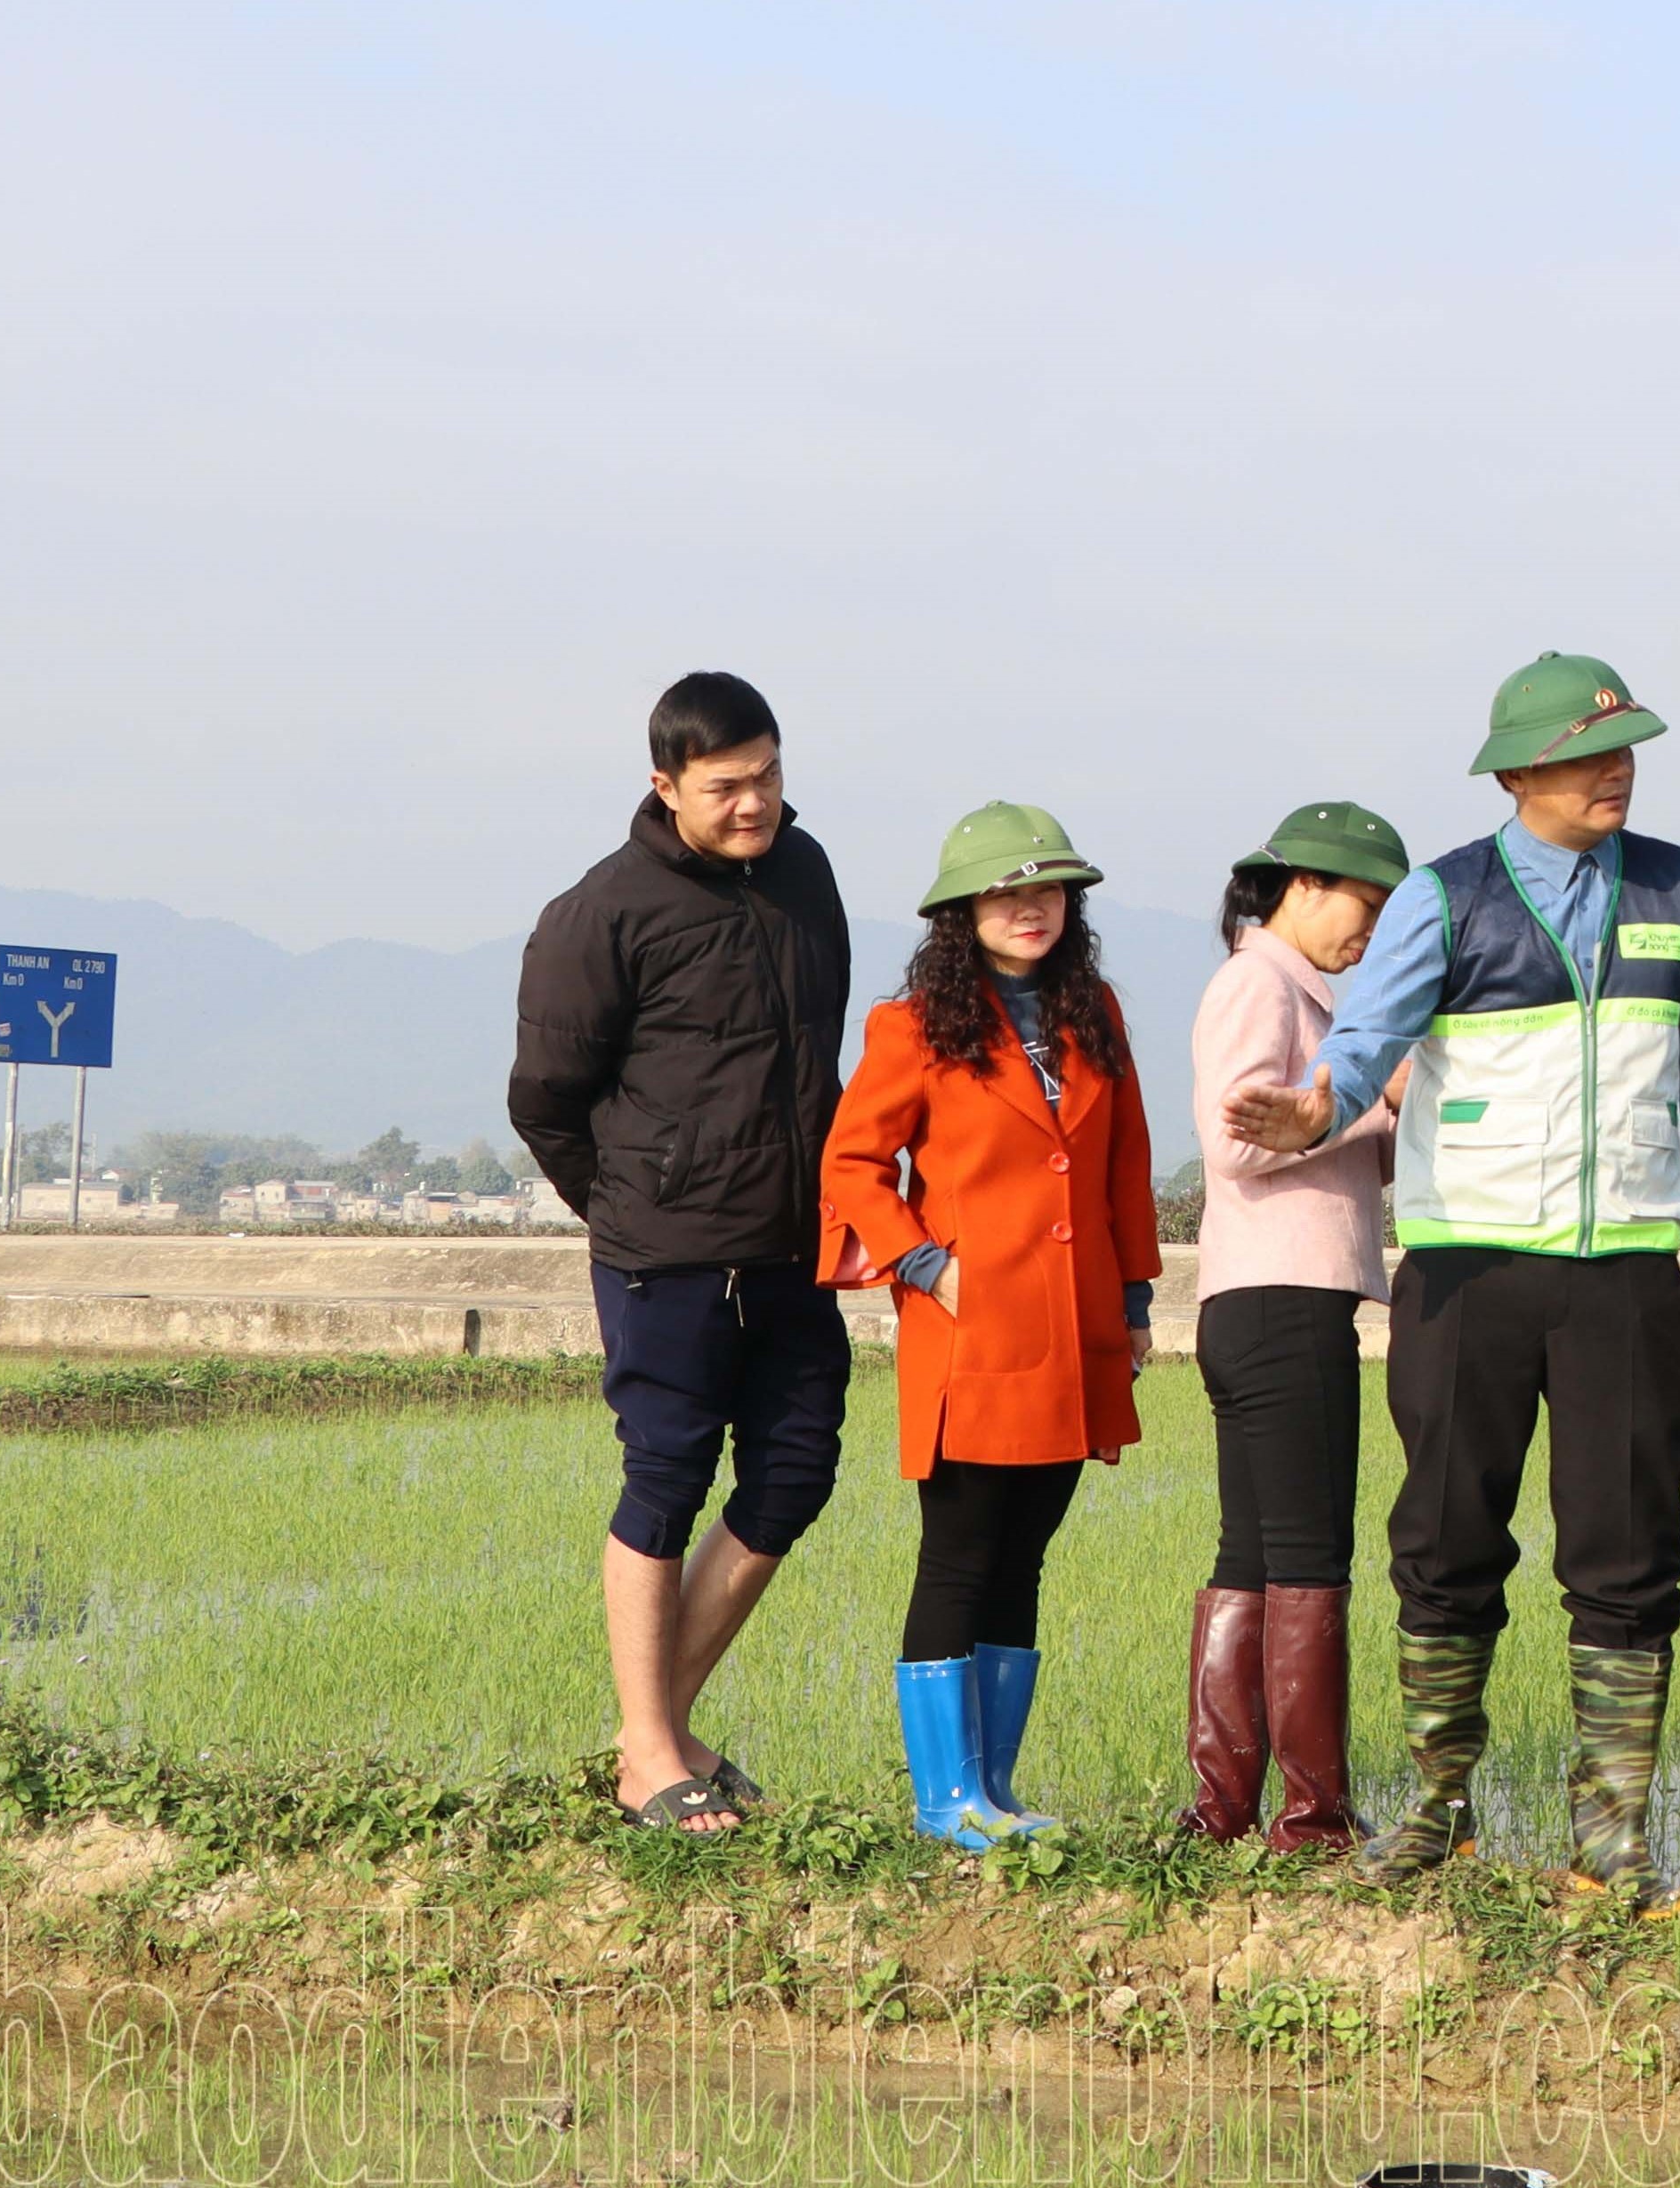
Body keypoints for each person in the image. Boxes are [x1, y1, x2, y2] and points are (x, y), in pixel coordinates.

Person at [1217, 653, 1680, 1913]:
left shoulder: (1674, 885)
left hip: (1626, 1271)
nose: (1615, 768)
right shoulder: (1445, 895)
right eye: (1589, 754)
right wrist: (1312, 1108)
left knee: (1628, 1549)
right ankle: (1435, 1808)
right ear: (1518, 771)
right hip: (1467, 1270)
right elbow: (1361, 1046)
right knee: (1445, 1538)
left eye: (1626, 746)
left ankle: (1612, 1836)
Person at [508, 672, 855, 1835]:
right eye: (726, 786)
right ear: (665, 784)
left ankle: (651, 1732)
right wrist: (628, 1205)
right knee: (664, 1475)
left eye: (767, 776)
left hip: (792, 1241)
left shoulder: (804, 876)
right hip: (666, 1252)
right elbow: (547, 1096)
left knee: (795, 1470)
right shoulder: (600, 913)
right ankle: (652, 1749)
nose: (755, 803)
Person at [820, 804, 1164, 1850]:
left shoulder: (1089, 1006)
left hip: (1078, 1332)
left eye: (1050, 889)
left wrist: (1136, 1298)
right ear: (962, 910)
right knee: (960, 1555)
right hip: (973, 1331)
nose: (1032, 906)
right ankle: (943, 1802)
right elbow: (851, 1164)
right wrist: (926, 1262)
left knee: (1026, 1559)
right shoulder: (913, 1025)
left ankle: (995, 1791)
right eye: (1009, 891)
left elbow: (1125, 1166)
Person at [1179, 803, 1409, 1849]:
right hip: (1284, 1298)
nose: (1371, 929)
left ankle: (1225, 1809)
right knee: (1310, 1553)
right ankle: (1313, 1820)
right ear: (1304, 886)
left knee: (1253, 1555)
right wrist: (1368, 1104)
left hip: (1260, 1298)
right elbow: (1238, 1139)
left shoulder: (1291, 989)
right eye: (1365, 902)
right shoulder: (1260, 983)